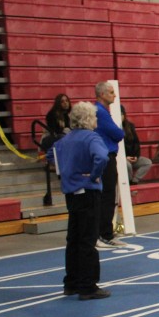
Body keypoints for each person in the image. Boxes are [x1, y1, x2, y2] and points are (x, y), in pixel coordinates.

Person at [53, 102, 110, 300]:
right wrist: (94, 175)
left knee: (74, 239)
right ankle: (87, 286)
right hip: (88, 192)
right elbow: (102, 157)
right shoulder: (92, 137)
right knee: (88, 239)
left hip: (71, 193)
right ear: (89, 118)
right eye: (94, 117)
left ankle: (71, 283)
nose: (96, 120)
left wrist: (67, 174)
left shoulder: (65, 139)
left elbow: (53, 155)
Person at [93, 81, 126, 250]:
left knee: (107, 195)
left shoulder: (101, 111)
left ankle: (105, 232)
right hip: (106, 157)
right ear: (102, 94)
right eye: (111, 92)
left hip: (106, 155)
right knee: (107, 196)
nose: (115, 95)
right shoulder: (100, 112)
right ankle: (104, 234)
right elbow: (118, 133)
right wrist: (119, 132)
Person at [121, 107, 151, 185]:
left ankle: (135, 180)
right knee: (127, 165)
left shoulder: (130, 126)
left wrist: (136, 156)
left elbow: (136, 143)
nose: (121, 116)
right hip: (122, 158)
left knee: (147, 162)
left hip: (132, 156)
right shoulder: (113, 127)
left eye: (122, 114)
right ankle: (129, 182)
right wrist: (125, 157)